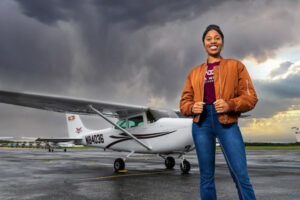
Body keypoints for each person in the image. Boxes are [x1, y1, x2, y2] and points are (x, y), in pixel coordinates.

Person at [180, 24, 258, 200]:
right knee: (206, 177)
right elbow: (184, 102)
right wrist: (192, 107)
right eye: (209, 39)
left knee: (241, 175)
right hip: (201, 123)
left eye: (217, 38)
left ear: (222, 42)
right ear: (204, 44)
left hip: (227, 122)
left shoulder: (236, 66)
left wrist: (230, 105)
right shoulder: (194, 73)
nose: (213, 41)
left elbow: (251, 97)